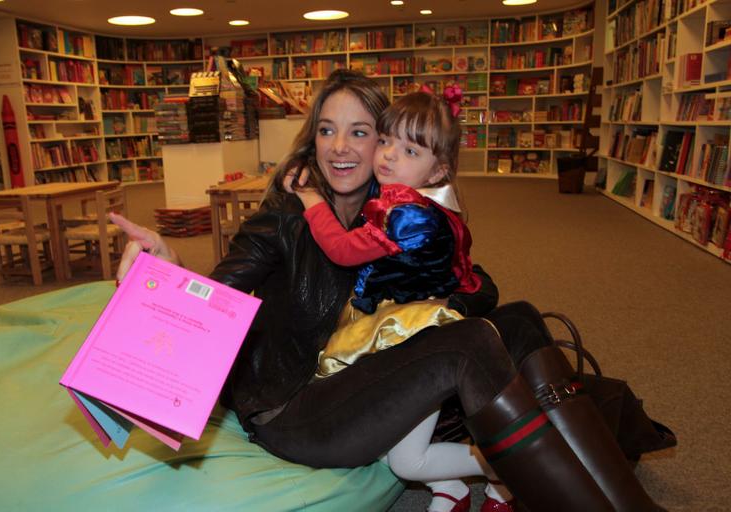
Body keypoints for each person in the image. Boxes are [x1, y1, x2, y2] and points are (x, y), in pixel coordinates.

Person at [111, 69, 663, 512]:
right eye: (326, 130)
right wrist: (173, 268)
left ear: (385, 143)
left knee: (517, 317)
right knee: (469, 345)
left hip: (366, 378)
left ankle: (617, 498)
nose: (339, 148)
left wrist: (436, 306)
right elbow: (221, 294)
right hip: (300, 409)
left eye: (359, 131)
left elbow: (477, 282)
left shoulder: (396, 208)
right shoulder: (284, 217)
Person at [283, 91, 515, 511]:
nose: (388, 155)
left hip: (416, 334)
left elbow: (344, 251)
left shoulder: (409, 214)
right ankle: (454, 489)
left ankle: (501, 468)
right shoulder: (414, 201)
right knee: (394, 445)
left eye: (409, 150)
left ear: (438, 169)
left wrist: (311, 200)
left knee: (406, 460)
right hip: (408, 327)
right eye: (386, 140)